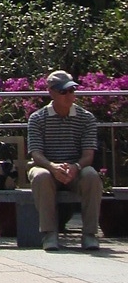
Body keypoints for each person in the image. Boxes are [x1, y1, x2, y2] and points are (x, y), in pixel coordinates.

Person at [27, 70, 102, 251]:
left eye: (72, 90)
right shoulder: (37, 118)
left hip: (76, 169)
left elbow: (88, 155)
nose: (69, 95)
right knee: (40, 176)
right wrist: (53, 167)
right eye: (63, 91)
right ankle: (49, 233)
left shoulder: (86, 118)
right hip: (47, 166)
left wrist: (75, 167)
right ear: (51, 92)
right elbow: (36, 154)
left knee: (92, 175)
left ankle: (90, 234)